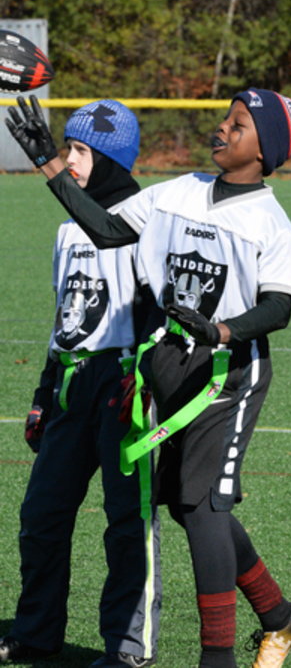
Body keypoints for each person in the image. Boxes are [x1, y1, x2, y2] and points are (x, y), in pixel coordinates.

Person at [5, 88, 291, 668]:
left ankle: (202, 656)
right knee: (182, 507)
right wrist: (47, 164)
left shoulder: (271, 224)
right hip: (165, 369)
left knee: (199, 510)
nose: (222, 128)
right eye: (225, 119)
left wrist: (220, 331)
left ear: (264, 150)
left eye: (237, 124)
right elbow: (107, 231)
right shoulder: (179, 191)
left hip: (224, 376)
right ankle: (279, 614)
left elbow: (278, 308)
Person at [1, 99, 163, 668]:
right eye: (67, 148)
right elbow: (63, 320)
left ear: (112, 159)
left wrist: (146, 378)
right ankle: (35, 632)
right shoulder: (68, 227)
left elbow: (158, 313)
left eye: (81, 151)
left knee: (127, 523)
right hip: (71, 385)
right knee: (41, 516)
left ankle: (128, 645)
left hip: (121, 387)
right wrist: (42, 395)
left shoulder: (144, 221)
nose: (69, 160)